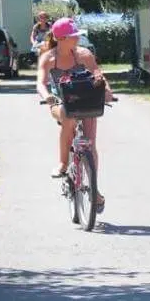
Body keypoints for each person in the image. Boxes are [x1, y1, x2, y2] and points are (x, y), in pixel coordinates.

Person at [36, 16, 114, 210]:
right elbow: (41, 83)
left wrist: (106, 91)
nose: (77, 39)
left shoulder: (84, 55)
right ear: (61, 38)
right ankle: (63, 163)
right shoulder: (48, 58)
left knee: (90, 143)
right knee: (66, 114)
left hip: (85, 101)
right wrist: (48, 97)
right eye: (73, 36)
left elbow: (98, 74)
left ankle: (94, 190)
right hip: (60, 102)